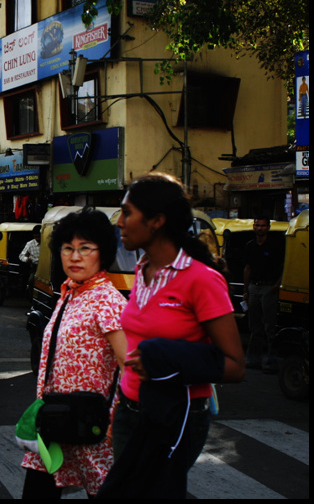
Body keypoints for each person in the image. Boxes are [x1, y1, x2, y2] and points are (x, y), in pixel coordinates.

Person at [102, 172, 244, 497]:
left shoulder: (202, 280)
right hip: (129, 410)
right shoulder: (142, 269)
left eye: (127, 213)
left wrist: (163, 359)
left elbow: (235, 365)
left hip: (176, 416)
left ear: (156, 221)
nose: (120, 222)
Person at [21, 207, 127, 498]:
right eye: (68, 248)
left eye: (85, 248)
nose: (75, 256)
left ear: (102, 253)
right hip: (55, 419)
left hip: (92, 425)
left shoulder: (108, 300)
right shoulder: (68, 294)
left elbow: (128, 365)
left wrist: (117, 421)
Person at [243, 216, 284, 373]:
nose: (260, 228)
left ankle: (270, 362)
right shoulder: (250, 246)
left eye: (263, 226)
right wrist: (246, 290)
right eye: (258, 225)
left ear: (268, 227)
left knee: (270, 326)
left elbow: (283, 267)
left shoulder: (275, 245)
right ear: (254, 227)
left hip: (269, 288)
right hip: (254, 287)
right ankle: (253, 359)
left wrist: (276, 285)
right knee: (255, 326)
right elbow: (248, 268)